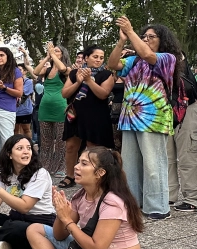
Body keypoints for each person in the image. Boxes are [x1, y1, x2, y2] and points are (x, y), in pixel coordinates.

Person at [26, 147, 144, 249]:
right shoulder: (81, 195)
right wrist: (61, 213)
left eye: (84, 164)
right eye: (78, 162)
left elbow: (97, 248)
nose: (76, 167)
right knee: (35, 229)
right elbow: (59, 235)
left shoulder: (112, 202)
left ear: (100, 173)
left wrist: (67, 220)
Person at [107, 17, 179, 221]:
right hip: (130, 118)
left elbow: (148, 55)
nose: (146, 40)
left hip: (153, 119)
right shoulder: (134, 60)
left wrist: (130, 31)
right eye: (144, 36)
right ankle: (134, 204)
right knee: (130, 166)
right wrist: (121, 41)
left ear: (162, 40)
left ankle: (157, 208)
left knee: (153, 165)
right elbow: (112, 64)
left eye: (151, 37)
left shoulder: (168, 58)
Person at [58, 45, 115, 188]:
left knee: (92, 148)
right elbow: (65, 93)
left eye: (101, 58)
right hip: (76, 114)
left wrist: (89, 80)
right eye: (95, 57)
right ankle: (70, 175)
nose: (98, 60)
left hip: (96, 115)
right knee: (71, 146)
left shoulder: (106, 74)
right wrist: (78, 81)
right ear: (86, 58)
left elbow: (103, 94)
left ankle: (93, 177)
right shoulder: (74, 73)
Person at [34, 43, 70, 176]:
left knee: (61, 141)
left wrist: (53, 55)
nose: (53, 52)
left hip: (60, 108)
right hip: (45, 108)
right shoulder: (47, 70)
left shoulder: (66, 69)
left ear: (63, 54)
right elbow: (36, 72)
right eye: (52, 51)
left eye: (57, 51)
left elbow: (62, 67)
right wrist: (46, 57)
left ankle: (60, 168)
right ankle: (45, 167)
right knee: (45, 140)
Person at [167, 58, 197, 212]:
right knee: (168, 158)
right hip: (167, 112)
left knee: (187, 156)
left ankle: (192, 199)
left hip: (188, 108)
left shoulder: (177, 56)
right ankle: (170, 195)